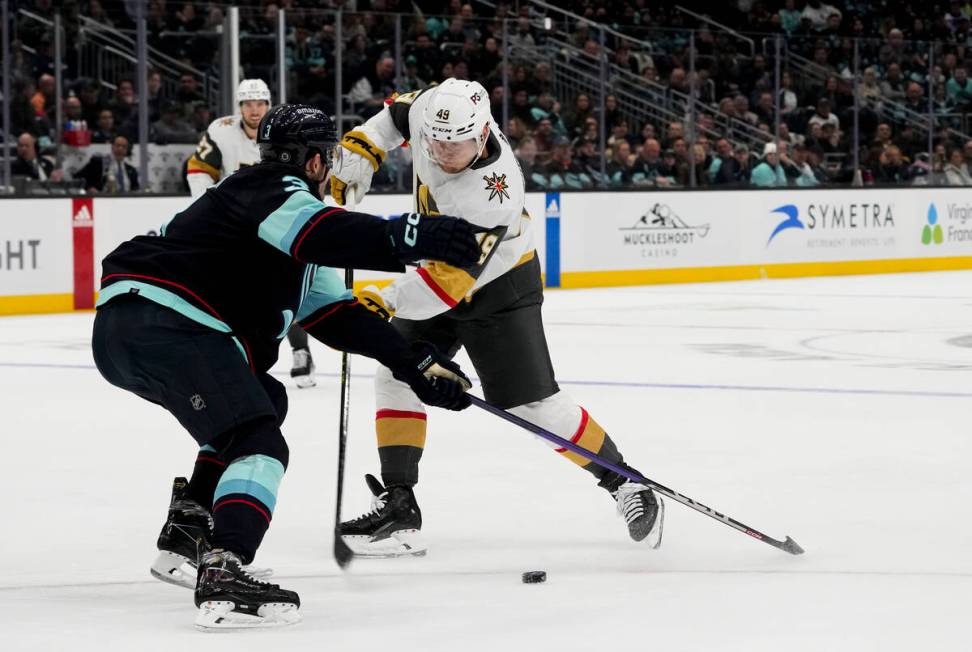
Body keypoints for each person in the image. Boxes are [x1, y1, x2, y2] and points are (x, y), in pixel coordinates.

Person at [91, 104, 483, 629]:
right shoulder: (272, 190)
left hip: (136, 327)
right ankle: (226, 565)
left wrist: (412, 364)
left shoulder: (270, 209)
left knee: (261, 402)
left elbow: (334, 315)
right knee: (259, 442)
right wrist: (415, 237)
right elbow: (322, 233)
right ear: (315, 161)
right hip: (168, 323)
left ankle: (189, 533)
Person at [328, 78, 664, 558]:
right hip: (436, 270)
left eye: (456, 144)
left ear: (482, 135)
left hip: (498, 288)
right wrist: (364, 148)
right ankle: (400, 505)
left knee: (532, 405)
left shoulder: (491, 195)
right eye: (436, 142)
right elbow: (393, 119)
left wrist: (384, 299)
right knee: (396, 374)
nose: (443, 152)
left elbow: (444, 287)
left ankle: (624, 481)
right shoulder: (433, 113)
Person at [185, 80, 314, 388]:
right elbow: (198, 168)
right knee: (234, 292)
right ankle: (239, 356)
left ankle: (300, 351)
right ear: (239, 107)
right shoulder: (221, 130)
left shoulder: (287, 129)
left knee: (287, 288)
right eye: (248, 104)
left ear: (269, 105)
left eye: (259, 103)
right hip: (235, 224)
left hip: (280, 220)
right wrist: (208, 207)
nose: (254, 110)